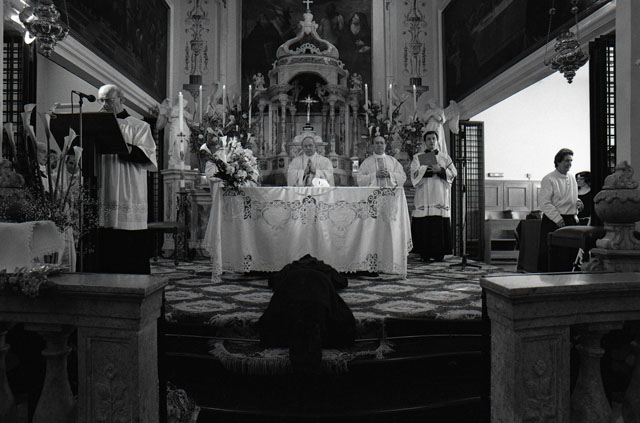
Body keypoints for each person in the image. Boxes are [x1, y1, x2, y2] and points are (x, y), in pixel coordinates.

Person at [96, 84, 157, 274]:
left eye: (108, 100)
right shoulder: (96, 125)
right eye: (101, 100)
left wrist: (123, 147)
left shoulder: (138, 126)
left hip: (128, 187)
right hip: (105, 184)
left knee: (129, 241)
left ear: (121, 100)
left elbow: (148, 156)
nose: (104, 105)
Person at [410, 131, 457, 262]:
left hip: (439, 194)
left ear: (437, 141)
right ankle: (424, 253)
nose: (431, 141)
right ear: (425, 142)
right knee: (424, 222)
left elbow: (454, 172)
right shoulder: (418, 157)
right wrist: (427, 169)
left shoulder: (445, 157)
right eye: (429, 139)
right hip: (424, 194)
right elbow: (414, 174)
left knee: (438, 223)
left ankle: (439, 253)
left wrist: (440, 170)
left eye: (433, 139)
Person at [537, 148, 582, 272]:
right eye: (567, 160)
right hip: (554, 221)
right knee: (555, 256)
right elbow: (545, 203)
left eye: (571, 161)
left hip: (570, 220)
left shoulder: (572, 178)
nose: (570, 164)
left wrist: (577, 202)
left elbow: (570, 197)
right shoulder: (549, 179)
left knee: (570, 255)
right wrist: (558, 219)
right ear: (558, 161)